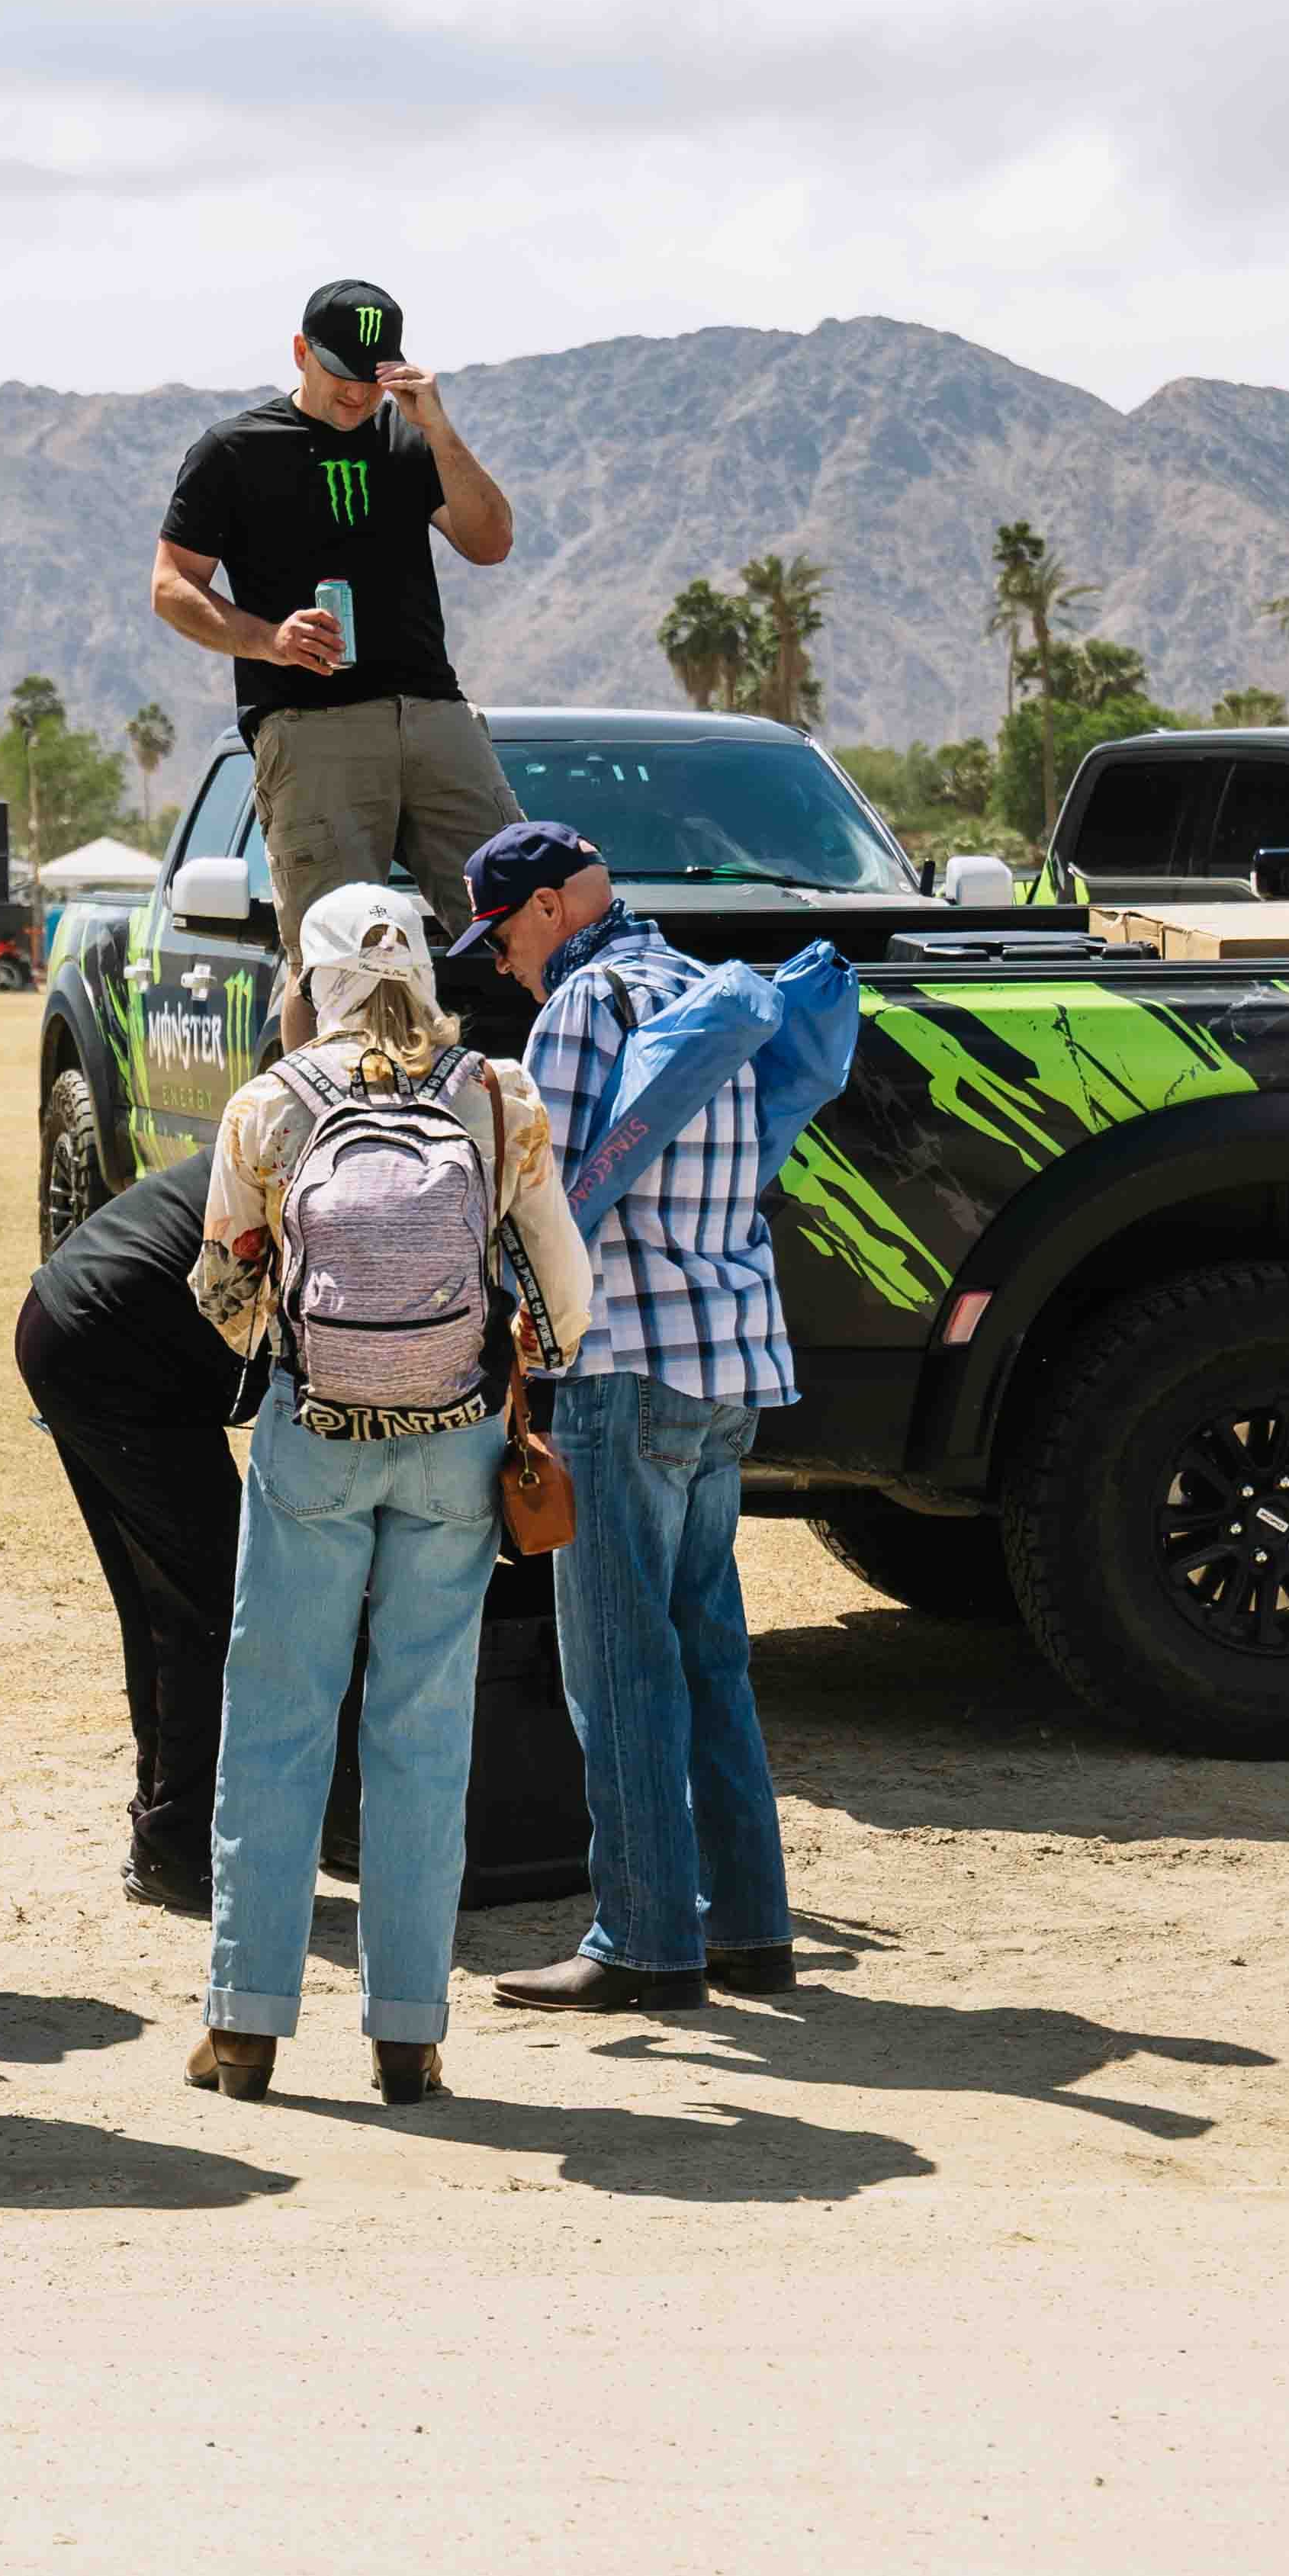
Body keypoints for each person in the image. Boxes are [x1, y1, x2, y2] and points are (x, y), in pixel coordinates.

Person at [178, 884, 593, 2105]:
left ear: (308, 979)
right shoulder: (496, 1091)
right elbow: (562, 1288)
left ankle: (245, 2028)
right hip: (456, 1443)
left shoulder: (269, 1105)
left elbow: (221, 1289)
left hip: (317, 1432)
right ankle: (408, 2033)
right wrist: (510, 1367)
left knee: (276, 1722)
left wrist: (296, 1332)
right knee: (421, 1730)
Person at [471, 820, 800, 2011]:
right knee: (710, 1652)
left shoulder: (582, 1005)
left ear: (552, 908)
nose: (504, 962)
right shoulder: (712, 993)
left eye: (505, 934)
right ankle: (749, 1928)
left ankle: (644, 1941)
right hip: (731, 1363)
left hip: (623, 1370)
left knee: (618, 1669)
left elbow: (538, 1199)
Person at [149, 277, 522, 941]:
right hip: (311, 722)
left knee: (515, 913)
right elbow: (172, 586)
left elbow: (490, 543)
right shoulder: (233, 451)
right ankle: (322, 1054)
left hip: (434, 711)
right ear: (300, 351)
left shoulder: (410, 441)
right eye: (341, 373)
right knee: (331, 947)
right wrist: (269, 641)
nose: (357, 393)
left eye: (373, 379)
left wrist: (438, 428)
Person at [17, 1149, 254, 1910]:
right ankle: (175, 1847)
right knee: (209, 1601)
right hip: (110, 1343)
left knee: (167, 1600)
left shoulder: (303, 1112)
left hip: (83, 1321)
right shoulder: (334, 1138)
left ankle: (168, 1831)